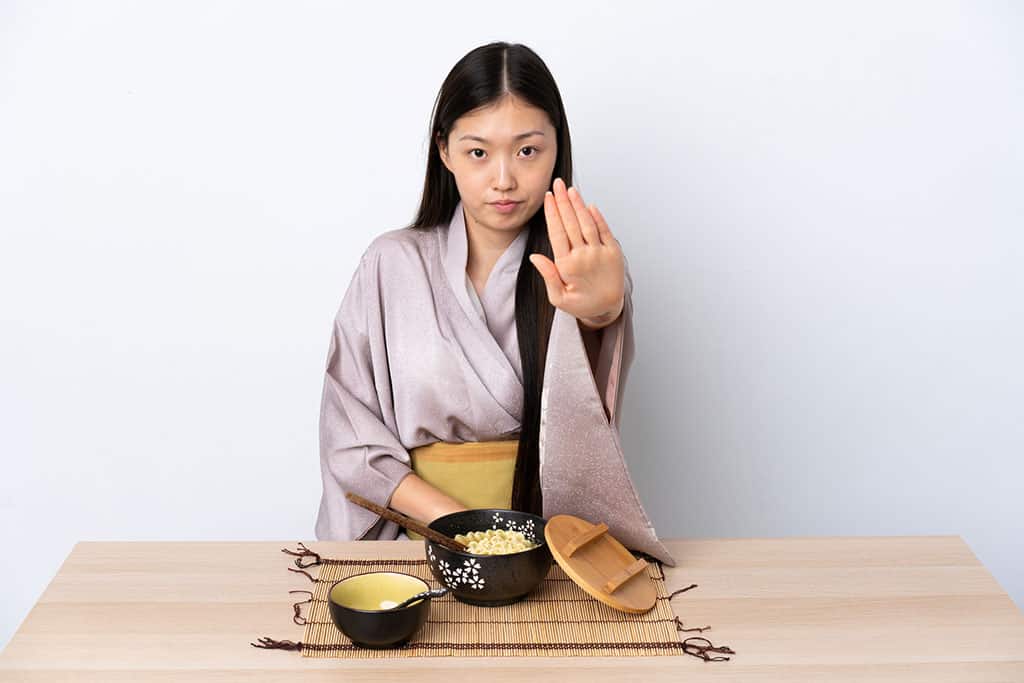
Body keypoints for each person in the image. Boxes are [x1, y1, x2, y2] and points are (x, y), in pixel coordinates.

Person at [314, 41, 674, 565]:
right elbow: (350, 434)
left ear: (557, 148)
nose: (503, 179)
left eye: (527, 150)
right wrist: (469, 533)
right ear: (445, 151)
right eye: (478, 152)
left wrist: (604, 314)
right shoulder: (389, 264)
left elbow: (589, 416)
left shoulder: (581, 267)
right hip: (416, 541)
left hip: (546, 544)